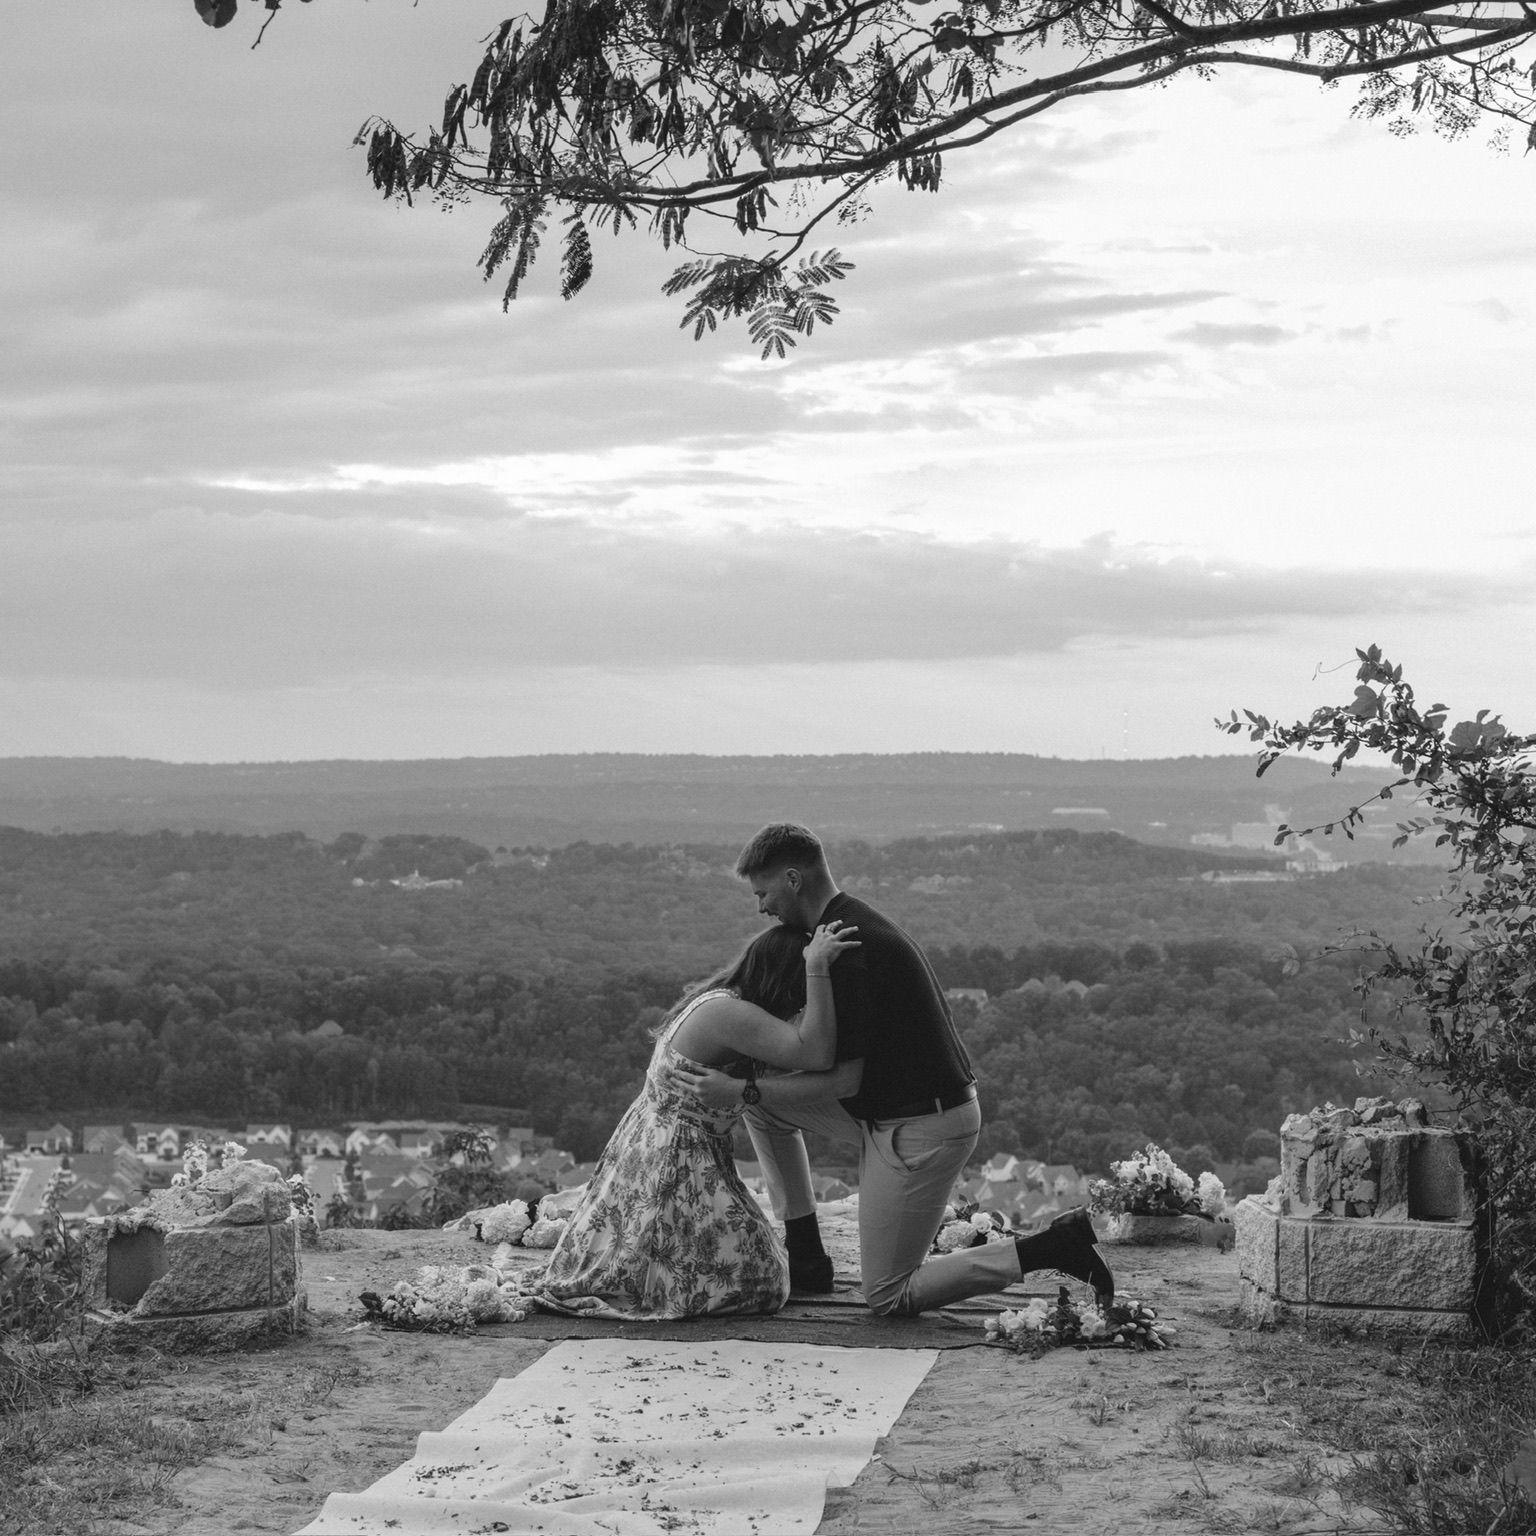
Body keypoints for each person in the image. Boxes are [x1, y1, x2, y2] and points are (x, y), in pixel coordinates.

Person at [666, 822, 1113, 1317]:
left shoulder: (850, 950)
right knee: (765, 1107)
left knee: (887, 1294)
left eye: (763, 893)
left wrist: (741, 1090)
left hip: (923, 1126)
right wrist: (752, 1089)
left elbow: (843, 1079)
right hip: (885, 1111)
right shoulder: (841, 928)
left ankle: (1052, 1247)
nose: (761, 908)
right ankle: (807, 1253)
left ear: (793, 879)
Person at [533, 917, 860, 1320]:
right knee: (763, 1280)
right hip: (676, 1165)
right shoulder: (729, 1014)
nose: (799, 1007)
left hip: (666, 1154)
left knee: (759, 1266)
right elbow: (816, 1054)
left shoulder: (724, 1001)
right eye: (799, 996)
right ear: (782, 984)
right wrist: (817, 968)